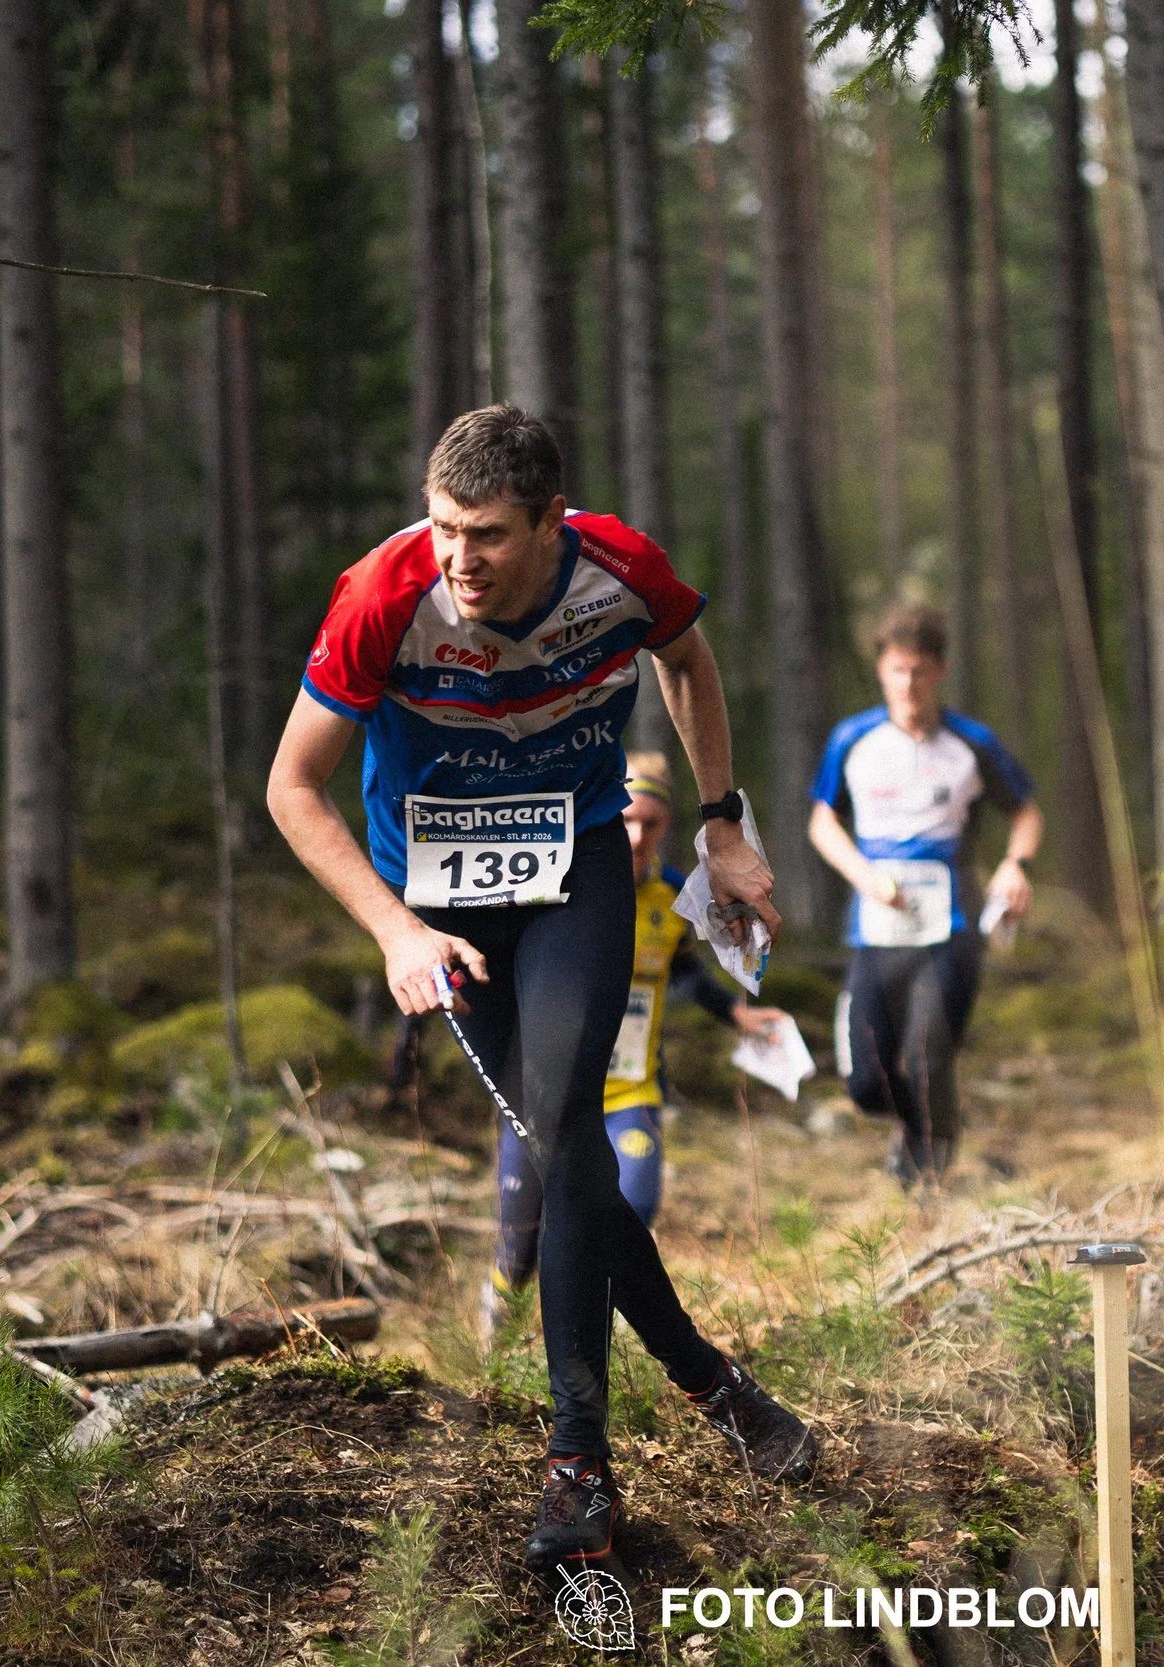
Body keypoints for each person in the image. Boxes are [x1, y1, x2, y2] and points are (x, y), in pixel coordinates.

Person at [266, 406, 815, 1570]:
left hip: (575, 864)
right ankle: (712, 1382)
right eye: (443, 525)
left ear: (550, 525)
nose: (459, 556)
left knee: (568, 1123)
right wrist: (394, 931)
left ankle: (580, 1462)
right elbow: (291, 790)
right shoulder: (382, 596)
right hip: (441, 897)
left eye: (488, 534)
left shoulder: (619, 570)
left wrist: (721, 824)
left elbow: (687, 658)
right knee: (569, 1149)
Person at [481, 752, 792, 1336]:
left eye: (650, 823)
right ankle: (496, 1324)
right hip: (540, 1095)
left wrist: (736, 1014)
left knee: (632, 1208)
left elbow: (683, 970)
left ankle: (581, 1333)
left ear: (667, 825)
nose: (636, 835)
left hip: (630, 1089)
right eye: (625, 819)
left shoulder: (675, 900)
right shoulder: (553, 884)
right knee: (518, 1246)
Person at [810, 604, 1040, 1188]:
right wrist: (863, 875)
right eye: (896, 671)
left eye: (918, 671)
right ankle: (925, 1127)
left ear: (938, 670)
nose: (907, 684)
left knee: (927, 1055)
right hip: (875, 930)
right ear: (881, 672)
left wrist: (1015, 865)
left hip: (951, 929)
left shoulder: (971, 742)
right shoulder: (853, 739)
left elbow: (1026, 812)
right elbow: (821, 822)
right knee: (864, 1080)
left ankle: (925, 1178)